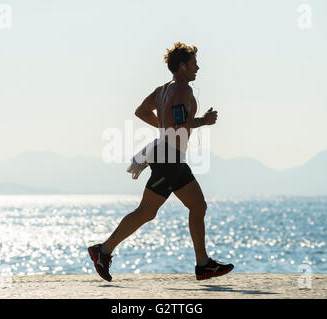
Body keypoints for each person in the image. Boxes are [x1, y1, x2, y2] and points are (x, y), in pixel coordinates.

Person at [88, 42, 234, 281]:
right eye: (195, 63)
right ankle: (102, 251)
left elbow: (141, 111)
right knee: (146, 212)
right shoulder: (182, 90)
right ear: (183, 66)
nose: (199, 67)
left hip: (173, 158)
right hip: (169, 159)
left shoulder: (162, 90)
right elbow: (179, 124)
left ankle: (203, 263)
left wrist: (165, 128)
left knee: (198, 206)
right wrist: (203, 121)